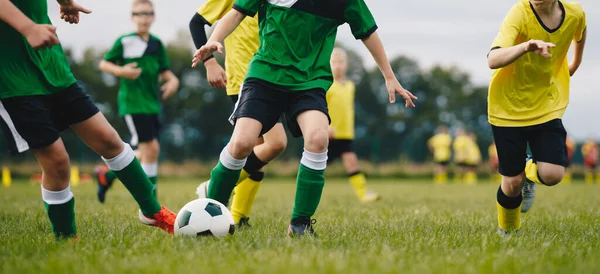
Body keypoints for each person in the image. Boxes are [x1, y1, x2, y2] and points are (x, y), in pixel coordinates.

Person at [191, 0, 417, 237]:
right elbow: (235, 14)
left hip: (310, 81)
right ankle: (210, 210)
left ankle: (300, 224)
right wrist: (213, 40)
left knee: (318, 139)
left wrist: (389, 76)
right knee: (241, 144)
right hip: (264, 76)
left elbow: (368, 32)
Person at [0, 0, 176, 239]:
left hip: (52, 63)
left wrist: (64, 2)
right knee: (57, 163)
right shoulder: (125, 41)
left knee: (109, 140)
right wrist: (28, 28)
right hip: (12, 76)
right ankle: (66, 239)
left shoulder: (156, 44)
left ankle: (152, 211)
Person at [487, 0, 586, 234]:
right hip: (507, 108)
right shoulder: (519, 13)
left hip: (546, 104)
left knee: (553, 174)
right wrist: (526, 46)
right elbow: (493, 59)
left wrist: (575, 64)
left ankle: (530, 174)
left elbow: (579, 34)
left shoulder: (575, 13)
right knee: (512, 183)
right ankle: (508, 231)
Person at [189, 0, 287, 227]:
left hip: (272, 76)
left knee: (257, 151)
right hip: (246, 78)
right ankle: (214, 185)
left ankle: (239, 216)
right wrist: (210, 62)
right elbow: (196, 23)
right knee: (275, 143)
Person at [93, 0, 180, 211]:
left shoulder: (157, 44)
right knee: (151, 149)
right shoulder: (125, 41)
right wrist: (121, 71)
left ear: (154, 17)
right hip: (133, 104)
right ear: (133, 17)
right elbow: (104, 64)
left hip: (153, 105)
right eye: (139, 14)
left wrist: (173, 81)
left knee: (147, 151)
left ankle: (107, 175)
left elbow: (165, 73)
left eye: (148, 13)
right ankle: (153, 206)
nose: (144, 17)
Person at [326, 47, 380, 202]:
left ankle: (363, 194)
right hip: (328, 133)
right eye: (334, 62)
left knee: (352, 163)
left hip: (345, 133)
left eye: (341, 62)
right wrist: (326, 126)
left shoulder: (350, 86)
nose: (338, 65)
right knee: (316, 166)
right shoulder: (327, 84)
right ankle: (303, 192)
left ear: (346, 65)